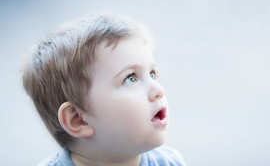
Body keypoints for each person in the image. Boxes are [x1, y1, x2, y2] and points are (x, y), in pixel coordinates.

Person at [22, 13, 186, 166]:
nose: (158, 89)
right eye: (130, 78)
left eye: (152, 74)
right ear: (78, 119)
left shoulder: (169, 162)